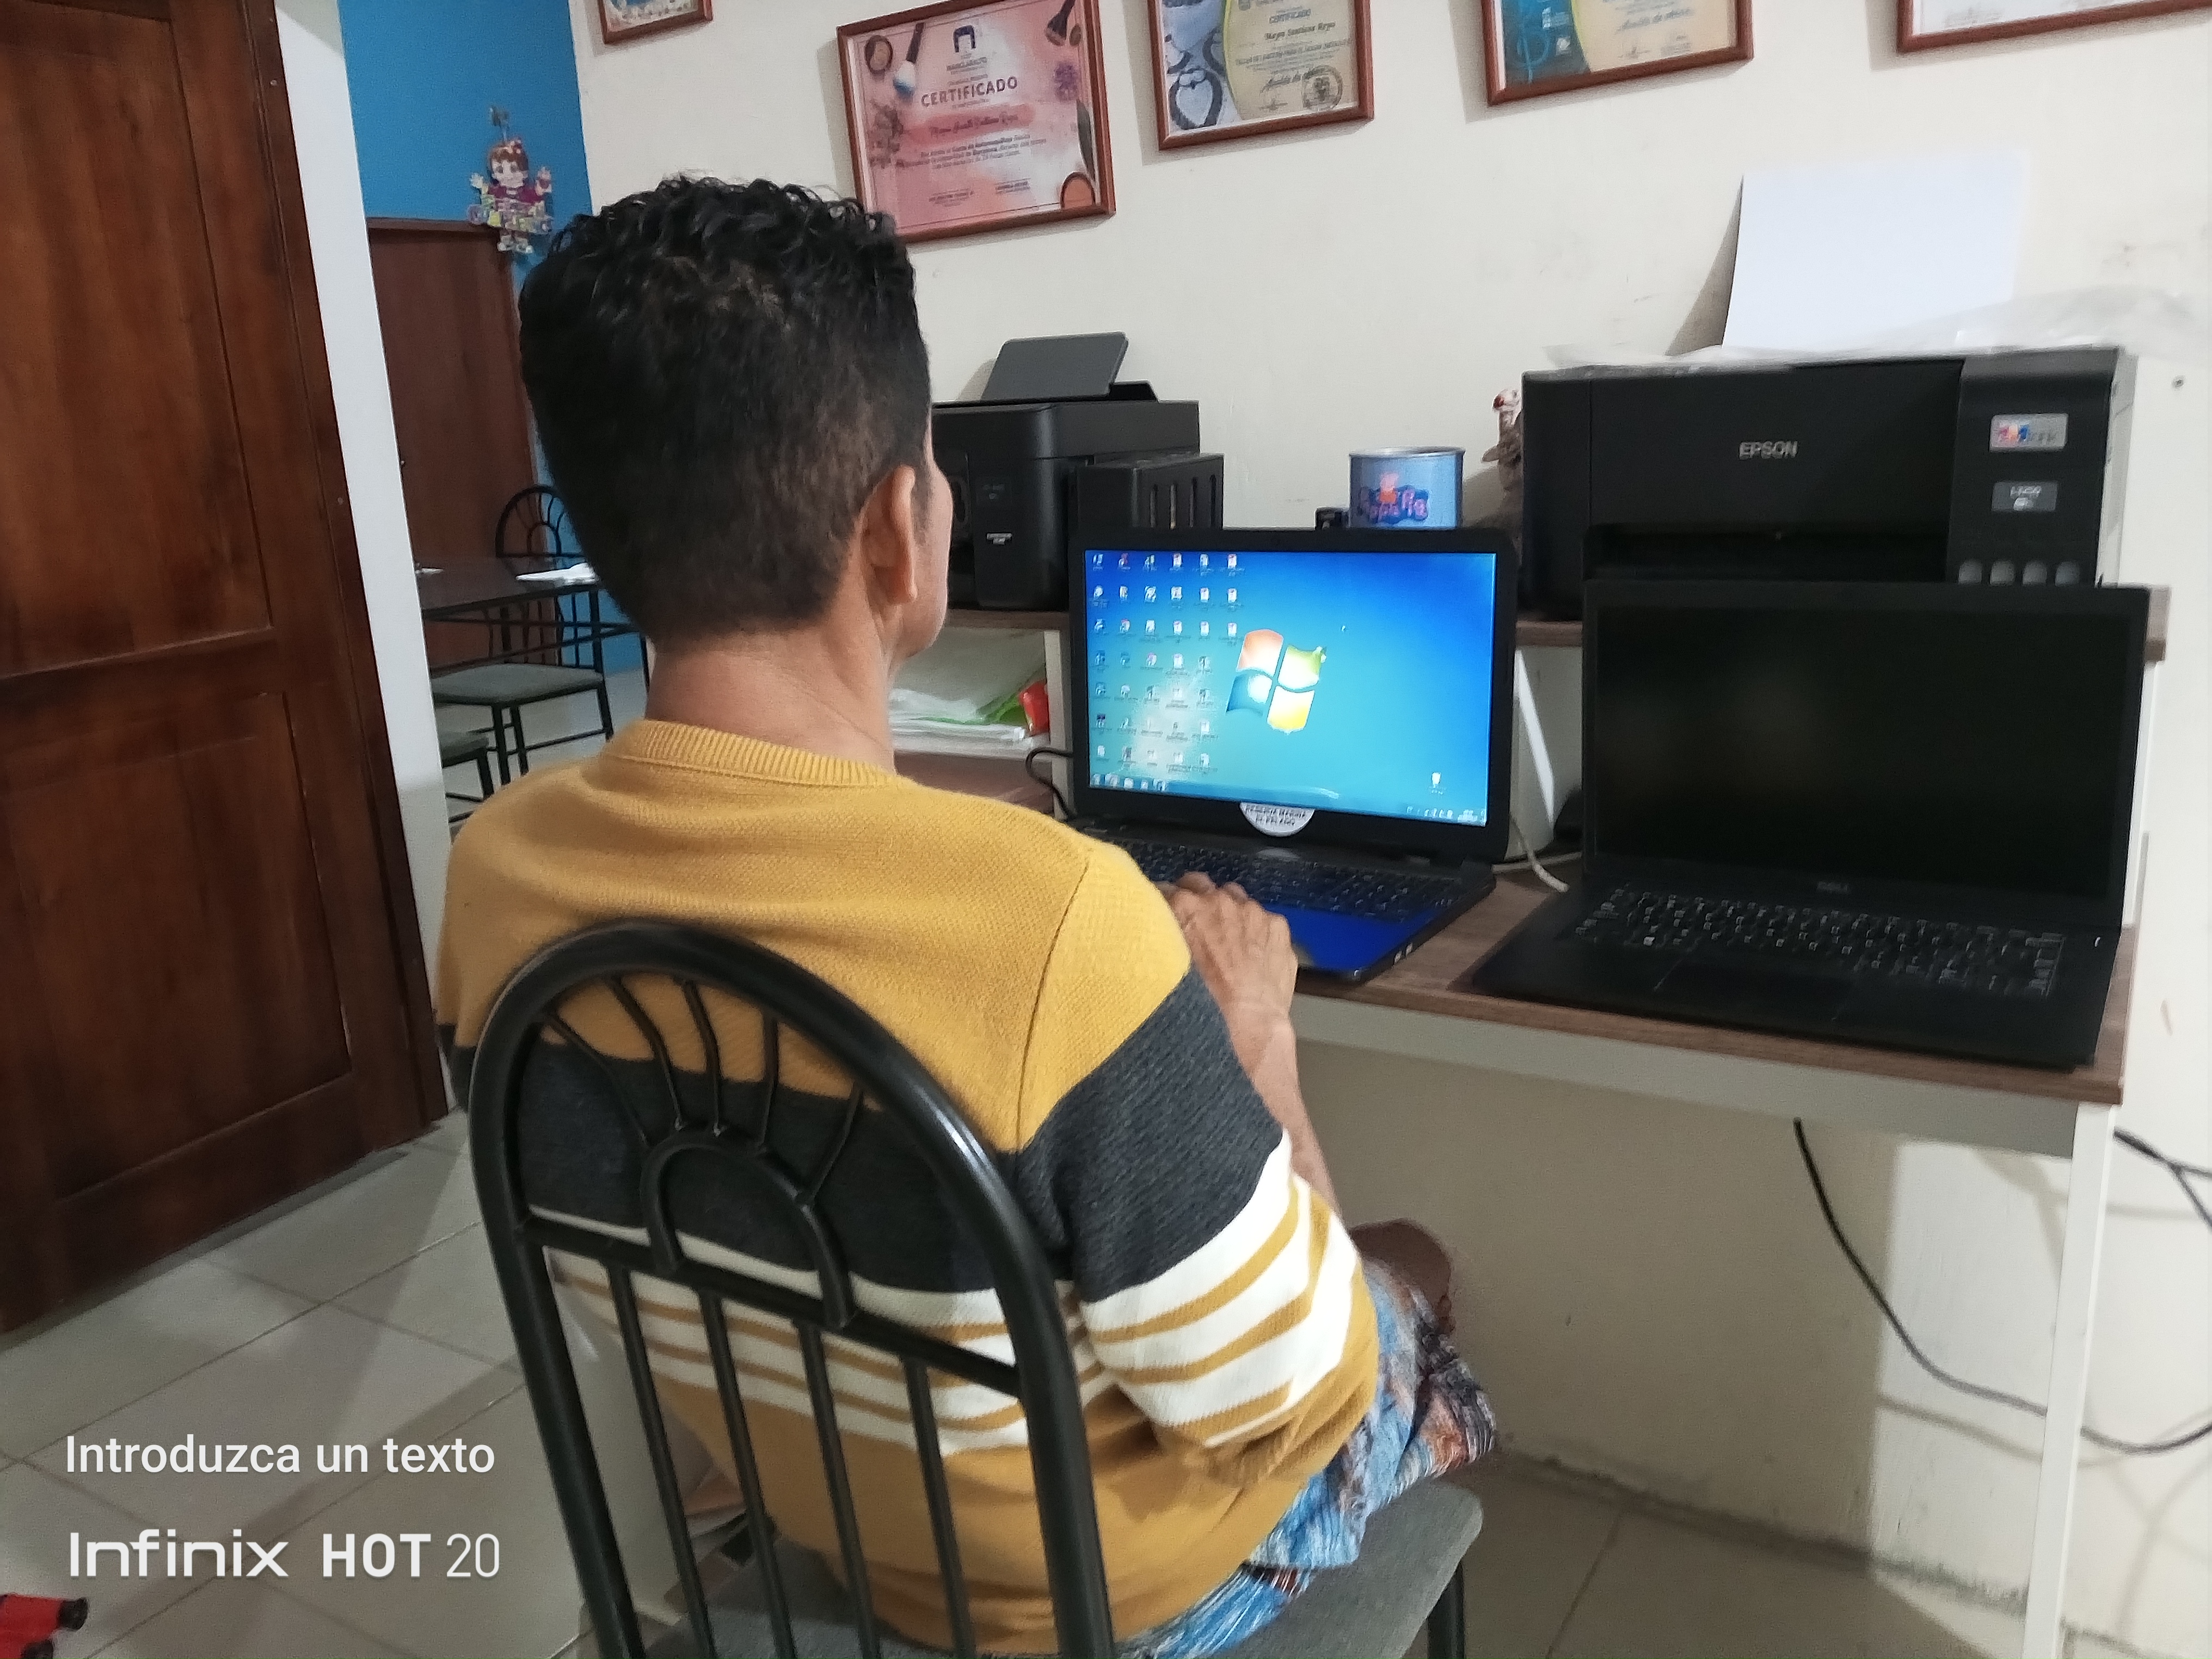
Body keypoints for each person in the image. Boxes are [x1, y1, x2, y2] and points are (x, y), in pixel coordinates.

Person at [435, 176, 1494, 1657]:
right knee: (1410, 1273)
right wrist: (1256, 1040)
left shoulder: (496, 873)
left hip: (842, 1539)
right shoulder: (1054, 915)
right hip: (1117, 1603)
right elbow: (1289, 1400)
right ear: (898, 530)